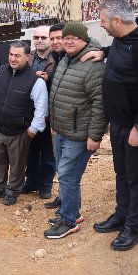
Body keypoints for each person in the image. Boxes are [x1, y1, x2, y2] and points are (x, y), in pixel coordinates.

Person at [92, 0, 138, 252]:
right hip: (120, 122)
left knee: (137, 177)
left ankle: (133, 228)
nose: (101, 25)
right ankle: (122, 214)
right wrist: (103, 52)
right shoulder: (121, 39)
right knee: (122, 172)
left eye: (103, 21)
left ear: (117, 20)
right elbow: (121, 51)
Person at [42, 22, 107, 240]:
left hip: (79, 134)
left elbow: (100, 104)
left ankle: (68, 220)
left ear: (84, 40)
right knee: (67, 175)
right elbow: (59, 94)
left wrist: (94, 136)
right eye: (66, 37)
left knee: (68, 176)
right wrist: (54, 122)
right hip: (62, 129)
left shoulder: (92, 65)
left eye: (74, 38)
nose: (68, 41)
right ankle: (72, 212)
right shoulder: (66, 59)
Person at [0, 41, 47, 206]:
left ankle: (12, 191)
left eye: (18, 55)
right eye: (11, 54)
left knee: (17, 164)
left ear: (28, 56)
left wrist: (33, 129)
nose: (13, 59)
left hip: (20, 130)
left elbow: (41, 108)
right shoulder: (0, 71)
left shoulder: (35, 80)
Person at [23, 25, 58, 200]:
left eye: (43, 37)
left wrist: (48, 79)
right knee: (30, 150)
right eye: (36, 37)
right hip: (29, 113)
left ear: (50, 39)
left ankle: (45, 185)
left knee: (48, 152)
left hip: (49, 114)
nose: (39, 40)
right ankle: (31, 182)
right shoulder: (27, 57)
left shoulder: (58, 59)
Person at [44, 21, 67, 210]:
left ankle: (69, 206)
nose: (55, 42)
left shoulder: (73, 59)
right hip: (57, 120)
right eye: (52, 39)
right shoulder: (58, 58)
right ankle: (62, 196)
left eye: (59, 38)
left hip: (71, 122)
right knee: (60, 162)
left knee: (68, 168)